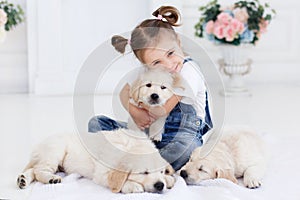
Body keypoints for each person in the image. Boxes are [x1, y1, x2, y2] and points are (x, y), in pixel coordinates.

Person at [88, 6, 213, 171]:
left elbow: (161, 111)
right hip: (147, 134)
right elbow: (124, 92)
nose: (168, 65)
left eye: (170, 53)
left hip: (181, 135)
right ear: (145, 64)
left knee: (186, 150)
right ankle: (143, 158)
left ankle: (141, 164)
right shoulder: (147, 71)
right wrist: (133, 111)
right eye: (156, 62)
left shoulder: (189, 71)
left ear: (178, 42)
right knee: (97, 123)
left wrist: (142, 105)